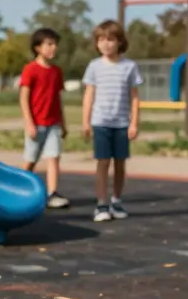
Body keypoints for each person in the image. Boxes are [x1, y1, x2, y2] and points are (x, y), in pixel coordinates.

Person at [81, 19, 143, 223]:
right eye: (101, 40)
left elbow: (134, 96)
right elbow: (89, 95)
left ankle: (116, 201)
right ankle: (101, 204)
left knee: (120, 164)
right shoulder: (94, 66)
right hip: (101, 122)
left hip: (122, 123)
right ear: (97, 43)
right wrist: (86, 122)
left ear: (119, 42)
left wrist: (134, 123)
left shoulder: (129, 66)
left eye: (110, 40)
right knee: (102, 163)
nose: (106, 44)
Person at [18, 27, 69, 209]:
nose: (53, 47)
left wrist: (63, 123)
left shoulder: (56, 71)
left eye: (55, 44)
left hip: (53, 123)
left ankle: (52, 193)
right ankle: (19, 190)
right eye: (49, 44)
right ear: (38, 47)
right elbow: (24, 98)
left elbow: (58, 99)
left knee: (54, 157)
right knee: (31, 160)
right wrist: (29, 123)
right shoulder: (30, 69)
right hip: (36, 124)